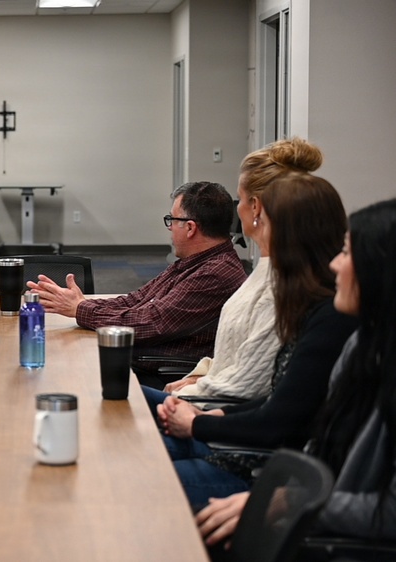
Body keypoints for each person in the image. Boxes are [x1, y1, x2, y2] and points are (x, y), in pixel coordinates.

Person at [195, 198, 396, 551]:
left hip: (329, 539)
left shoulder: (343, 330)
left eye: (347, 254)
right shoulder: (363, 345)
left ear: (382, 269)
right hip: (306, 506)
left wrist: (281, 503)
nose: (335, 264)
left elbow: (388, 511)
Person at [151, 173, 357, 509]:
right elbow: (280, 399)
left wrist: (201, 420)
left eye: (263, 220)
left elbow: (281, 419)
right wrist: (213, 415)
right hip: (252, 445)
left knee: (140, 467)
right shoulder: (304, 300)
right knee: (135, 444)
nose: (255, 227)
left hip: (262, 467)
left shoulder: (329, 315)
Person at [27, 181, 248, 384]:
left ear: (190, 228)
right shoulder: (195, 262)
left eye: (172, 220)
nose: (169, 227)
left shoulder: (215, 274)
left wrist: (81, 309)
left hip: (159, 374)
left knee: (58, 374)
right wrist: (82, 306)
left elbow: (150, 323)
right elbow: (137, 299)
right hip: (141, 360)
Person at [165, 138, 324, 399]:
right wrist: (203, 373)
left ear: (255, 207)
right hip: (207, 395)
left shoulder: (280, 285)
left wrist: (194, 390)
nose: (235, 209)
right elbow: (237, 352)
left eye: (239, 199)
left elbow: (249, 384)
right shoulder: (265, 269)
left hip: (212, 412)